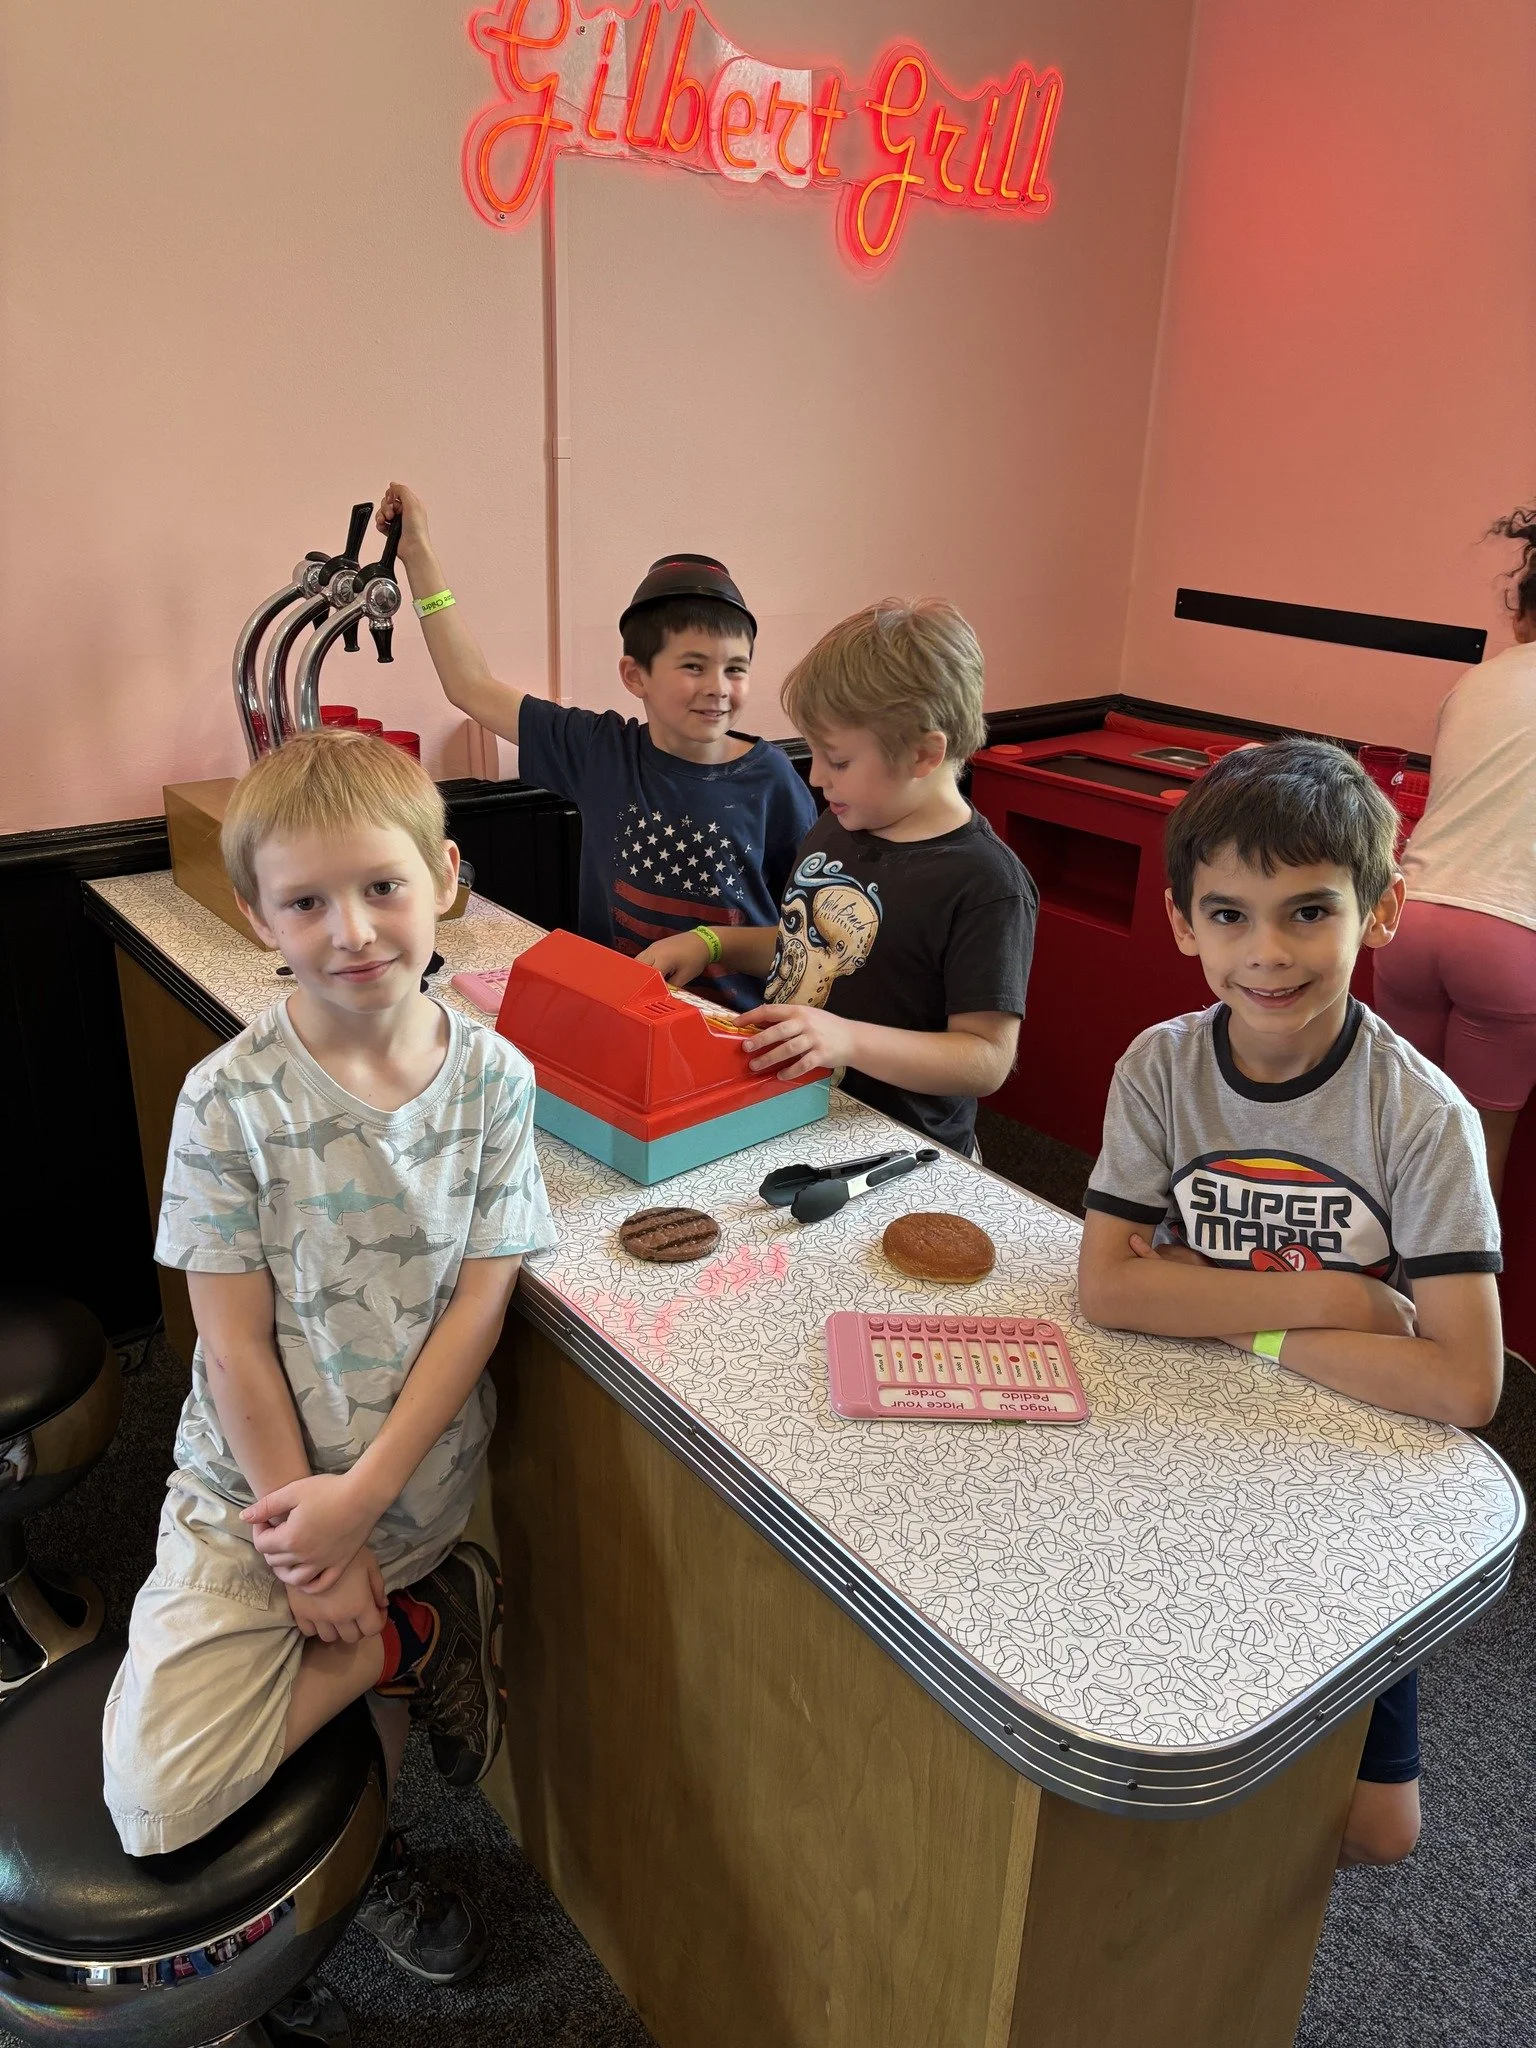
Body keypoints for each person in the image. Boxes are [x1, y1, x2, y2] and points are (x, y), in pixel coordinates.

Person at [102, 730, 558, 1988]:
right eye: (307, 900)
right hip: (255, 1494)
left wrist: (365, 1506)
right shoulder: (228, 1098)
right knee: (157, 1796)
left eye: (382, 886)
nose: (353, 929)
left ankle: (381, 1807)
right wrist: (315, 1535)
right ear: (257, 915)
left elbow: (479, 1303)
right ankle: (409, 1631)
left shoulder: (495, 1082)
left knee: (366, 1731)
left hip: (405, 1484)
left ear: (447, 877)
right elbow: (231, 1341)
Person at [1076, 737, 1503, 1867]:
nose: (1266, 953)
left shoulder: (1425, 1115)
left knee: (1378, 1829)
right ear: (1182, 921)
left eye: (1309, 912)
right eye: (1229, 914)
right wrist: (1339, 1306)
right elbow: (1104, 1286)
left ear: (1383, 908)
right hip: (1191, 1426)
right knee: (1134, 1721)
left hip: (1350, 1457)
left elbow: (1463, 1380)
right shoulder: (1157, 1068)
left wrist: (1243, 1318)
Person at [378, 483, 817, 1011]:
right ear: (636, 675)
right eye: (693, 666)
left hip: (732, 1034)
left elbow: (810, 936)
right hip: (617, 1013)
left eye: (735, 668)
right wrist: (419, 553)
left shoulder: (772, 781)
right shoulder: (599, 750)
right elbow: (469, 686)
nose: (718, 687)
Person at [635, 599, 1038, 1158]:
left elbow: (986, 1058)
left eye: (839, 760)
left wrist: (847, 1039)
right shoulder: (842, 823)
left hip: (895, 1151)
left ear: (924, 753)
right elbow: (800, 944)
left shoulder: (987, 884)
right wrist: (713, 942)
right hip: (792, 1112)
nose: (817, 776)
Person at [1373, 501, 1536, 1203]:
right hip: (1509, 938)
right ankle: (1459, 1310)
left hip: (1411, 919)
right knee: (1474, 1153)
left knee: (1394, 1123)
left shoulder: (1480, 679)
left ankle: (1361, 1294)